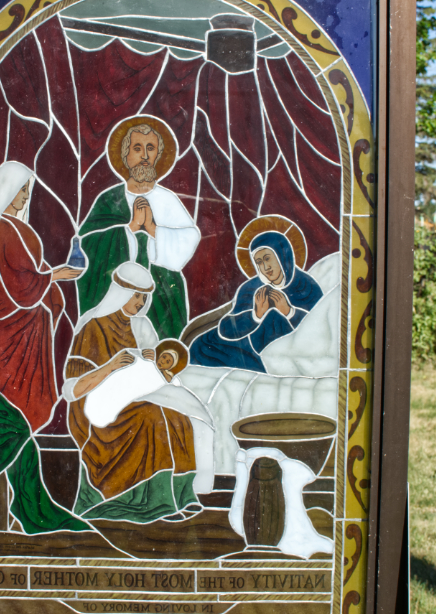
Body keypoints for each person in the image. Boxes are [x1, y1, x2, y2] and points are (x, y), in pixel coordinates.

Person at [63, 262, 204, 522]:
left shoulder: (142, 326)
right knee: (151, 418)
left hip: (135, 397)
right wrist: (111, 366)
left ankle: (181, 495)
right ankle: (153, 503)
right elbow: (72, 390)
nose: (141, 302)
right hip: (95, 406)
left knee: (178, 417)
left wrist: (151, 359)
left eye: (144, 296)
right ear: (121, 293)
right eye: (136, 295)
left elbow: (157, 370)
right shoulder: (92, 327)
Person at [0, 161, 81, 431]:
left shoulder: (14, 228)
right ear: (6, 190)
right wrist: (55, 277)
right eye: (21, 190)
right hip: (12, 329)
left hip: (29, 327)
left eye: (27, 191)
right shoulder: (3, 229)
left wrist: (53, 275)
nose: (24, 197)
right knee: (16, 396)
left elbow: (33, 269)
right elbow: (20, 283)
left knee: (27, 397)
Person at [76, 116, 200, 339]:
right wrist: (131, 227)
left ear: (158, 155)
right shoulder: (109, 199)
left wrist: (152, 228)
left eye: (150, 148)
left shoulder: (168, 200)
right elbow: (86, 245)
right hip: (116, 293)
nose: (144, 156)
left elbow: (189, 239)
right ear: (125, 156)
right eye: (137, 148)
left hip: (162, 295)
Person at [189, 230, 323, 373]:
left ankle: (267, 368)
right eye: (259, 262)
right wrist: (255, 315)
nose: (265, 267)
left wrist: (289, 312)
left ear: (283, 255)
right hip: (250, 348)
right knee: (202, 345)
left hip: (291, 349)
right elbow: (227, 329)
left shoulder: (306, 286)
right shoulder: (251, 288)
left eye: (267, 258)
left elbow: (321, 331)